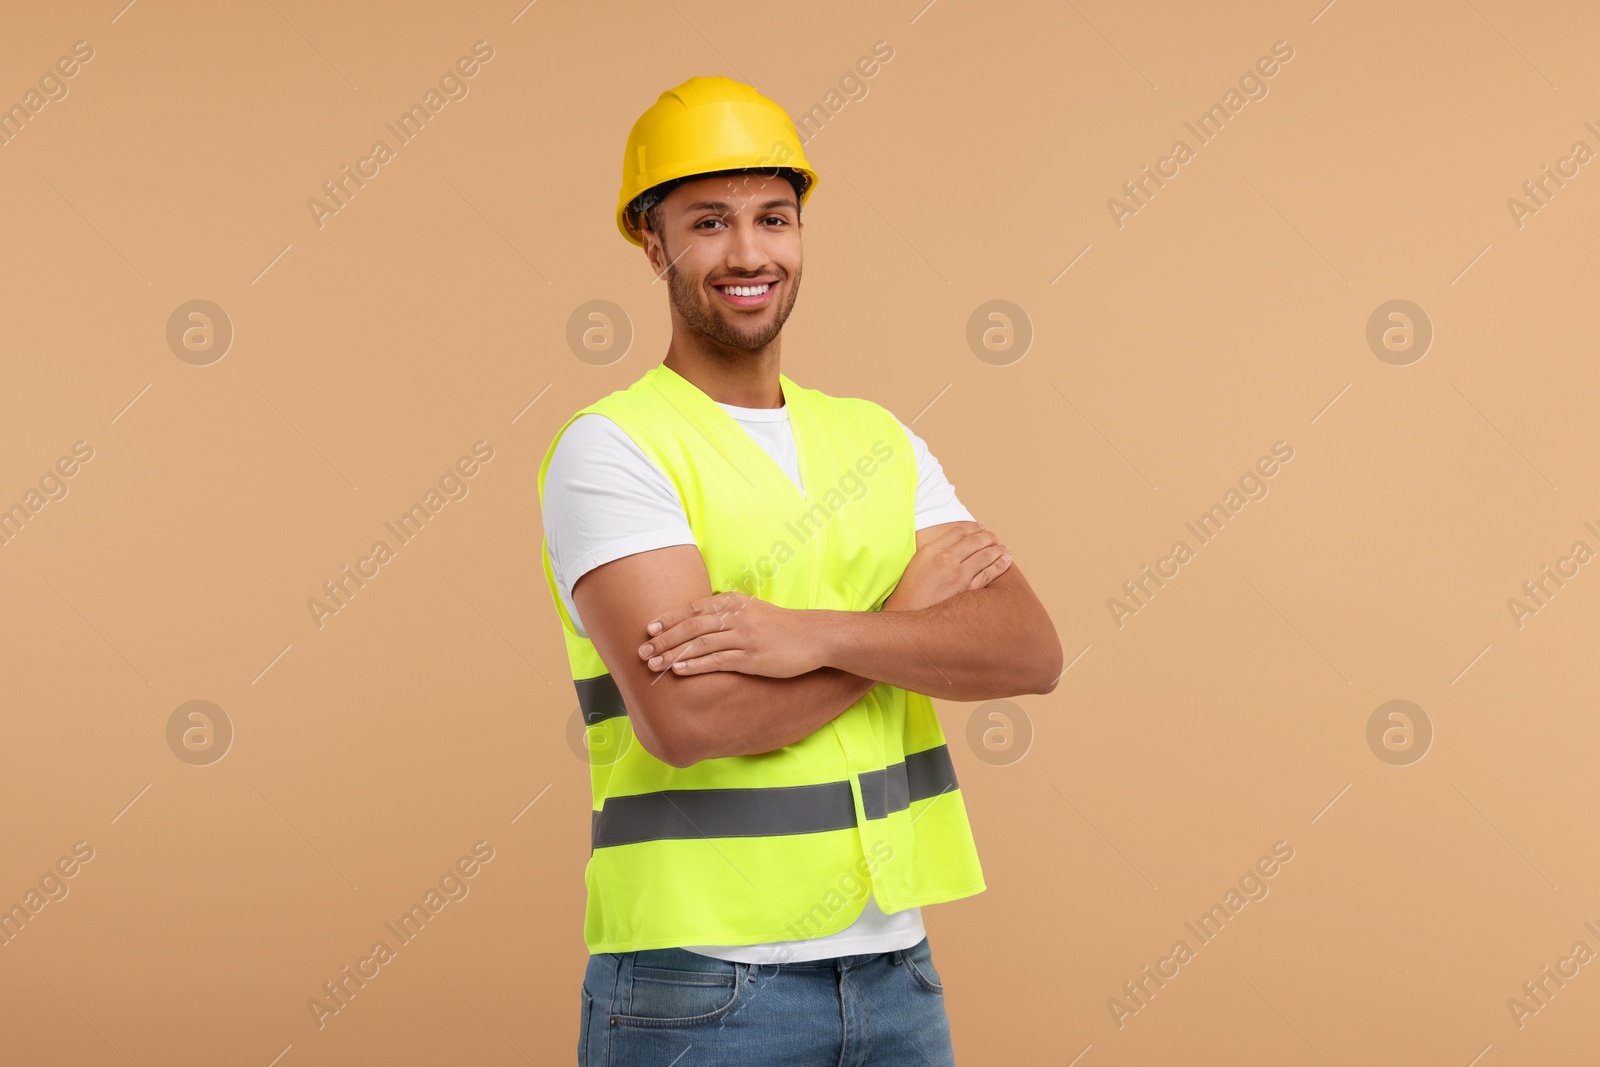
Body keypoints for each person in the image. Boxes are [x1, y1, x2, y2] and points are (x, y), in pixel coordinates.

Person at [538, 74, 1063, 1066]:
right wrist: (912, 623)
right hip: (699, 984)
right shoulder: (616, 448)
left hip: (894, 970)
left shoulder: (877, 441)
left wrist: (814, 633)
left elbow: (1028, 651)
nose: (748, 252)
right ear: (652, 244)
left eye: (772, 217)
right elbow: (690, 720)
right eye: (708, 221)